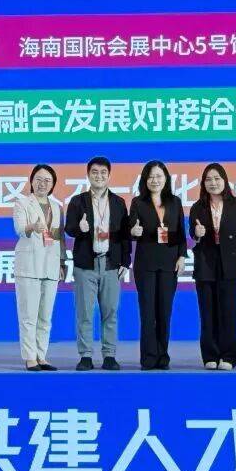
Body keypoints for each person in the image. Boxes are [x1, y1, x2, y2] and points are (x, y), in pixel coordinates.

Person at [65, 156, 131, 371]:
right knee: (84, 313)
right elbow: (69, 229)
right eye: (94, 172)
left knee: (110, 312)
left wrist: (126, 260)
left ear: (109, 176)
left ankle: (109, 355)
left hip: (111, 264)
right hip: (86, 264)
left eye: (103, 172)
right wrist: (80, 228)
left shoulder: (118, 202)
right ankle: (85, 356)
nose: (99, 176)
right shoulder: (78, 201)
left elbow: (125, 235)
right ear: (88, 175)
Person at [189, 162, 236, 370]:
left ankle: (228, 356)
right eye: (208, 179)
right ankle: (210, 355)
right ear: (203, 184)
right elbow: (192, 234)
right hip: (206, 264)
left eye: (217, 178)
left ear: (225, 181)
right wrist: (196, 234)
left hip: (232, 264)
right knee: (207, 313)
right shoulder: (197, 207)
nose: (213, 183)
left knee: (229, 312)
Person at [129, 160, 186, 370]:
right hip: (146, 264)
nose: (155, 180)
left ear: (166, 179)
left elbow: (181, 232)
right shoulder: (138, 202)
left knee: (164, 312)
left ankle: (162, 355)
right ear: (145, 180)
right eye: (151, 176)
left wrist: (182, 256)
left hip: (170, 263)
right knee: (147, 312)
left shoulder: (175, 202)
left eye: (159, 176)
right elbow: (131, 229)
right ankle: (148, 357)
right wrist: (133, 232)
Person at [12, 164, 66, 371]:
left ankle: (42, 356)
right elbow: (19, 229)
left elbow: (60, 238)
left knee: (45, 316)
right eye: (39, 179)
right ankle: (30, 358)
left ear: (53, 184)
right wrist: (32, 227)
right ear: (32, 181)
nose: (43, 184)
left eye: (47, 180)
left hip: (51, 265)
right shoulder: (22, 203)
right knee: (29, 316)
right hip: (29, 266)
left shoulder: (57, 207)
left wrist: (62, 263)